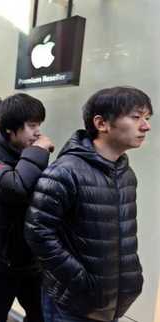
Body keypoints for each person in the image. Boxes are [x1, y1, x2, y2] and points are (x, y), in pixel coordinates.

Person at [25, 86, 152, 322]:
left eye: (146, 118)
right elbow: (37, 232)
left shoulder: (125, 173)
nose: (146, 126)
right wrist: (80, 280)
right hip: (73, 303)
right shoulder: (65, 171)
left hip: (112, 301)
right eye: (136, 117)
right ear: (101, 123)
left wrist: (133, 278)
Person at [0, 93, 54, 322]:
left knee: (40, 315)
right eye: (31, 125)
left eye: (39, 125)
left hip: (29, 260)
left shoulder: (30, 156)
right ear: (9, 129)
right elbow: (15, 187)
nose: (38, 132)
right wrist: (37, 152)